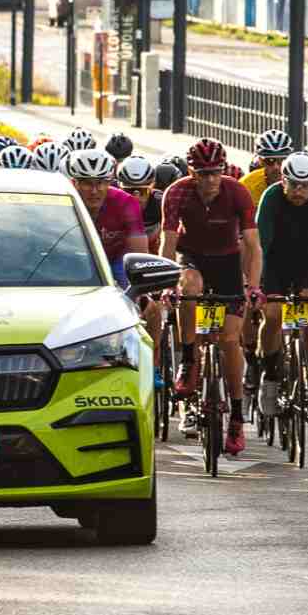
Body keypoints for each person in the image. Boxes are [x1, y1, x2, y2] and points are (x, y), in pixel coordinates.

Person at [157, 138, 263, 457]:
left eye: (215, 173)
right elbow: (169, 242)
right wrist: (167, 284)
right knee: (189, 288)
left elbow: (253, 247)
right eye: (202, 174)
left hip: (228, 263)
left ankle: (237, 416)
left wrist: (253, 286)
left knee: (230, 341)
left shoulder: (237, 192)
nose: (209, 180)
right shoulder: (177, 192)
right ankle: (189, 360)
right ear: (191, 172)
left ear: (223, 170)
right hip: (192, 258)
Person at [254, 151, 308, 421]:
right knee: (274, 315)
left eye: (307, 186)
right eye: (294, 185)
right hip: (275, 260)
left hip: (307, 260)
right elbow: (261, 243)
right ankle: (270, 379)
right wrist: (256, 279)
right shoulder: (271, 197)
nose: (299, 191)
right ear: (283, 180)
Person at [63, 148, 148, 291]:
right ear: (74, 183)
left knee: (135, 289)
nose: (95, 190)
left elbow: (139, 255)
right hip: (75, 261)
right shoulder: (64, 203)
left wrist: (145, 292)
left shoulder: (126, 203)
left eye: (101, 182)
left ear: (110, 182)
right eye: (87, 183)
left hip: (117, 260)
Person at [240, 129, 293, 208]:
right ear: (260, 161)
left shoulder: (302, 184)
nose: (276, 167)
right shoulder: (246, 186)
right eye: (269, 161)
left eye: (282, 160)